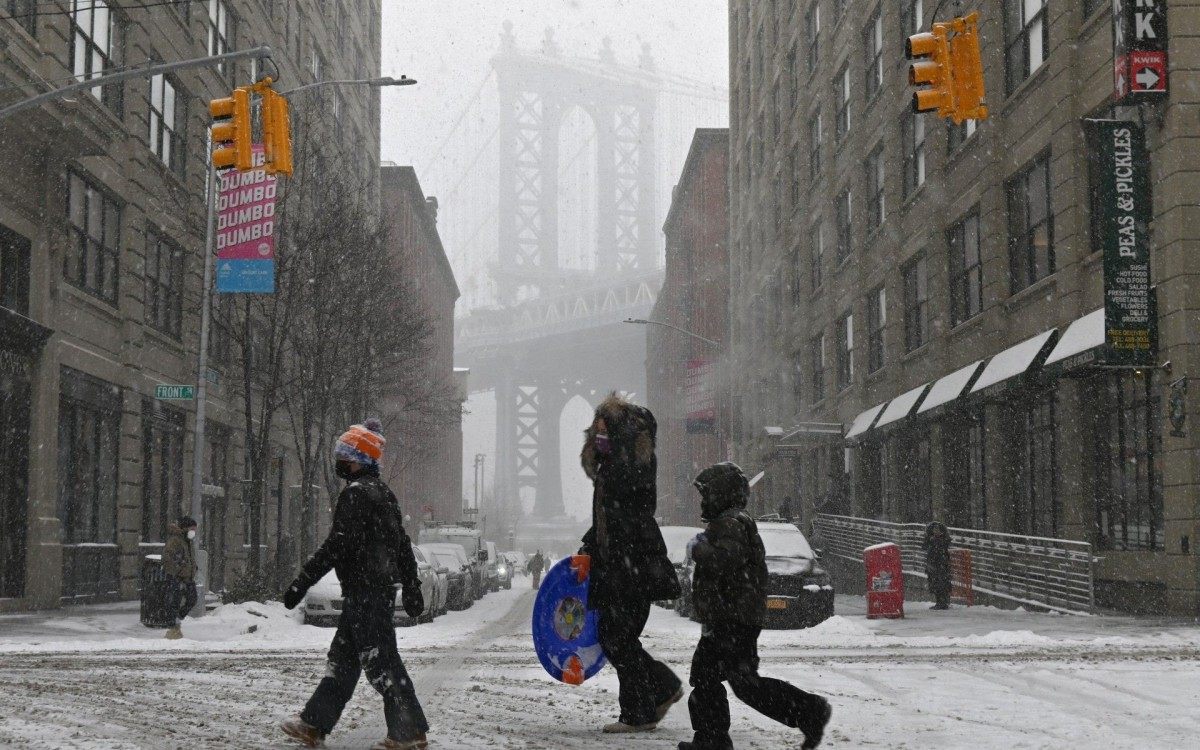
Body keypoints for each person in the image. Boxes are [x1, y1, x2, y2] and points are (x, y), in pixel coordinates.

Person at [280, 419, 429, 750]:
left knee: (381, 662)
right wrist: (411, 584)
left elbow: (336, 546)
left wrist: (301, 583)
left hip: (366, 593)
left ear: (360, 460)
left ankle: (408, 734)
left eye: (344, 456)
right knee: (343, 661)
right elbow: (402, 545)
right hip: (371, 592)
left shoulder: (357, 496)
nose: (340, 463)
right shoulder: (383, 494)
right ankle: (314, 724)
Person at [683, 462, 832, 750]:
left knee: (739, 683)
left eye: (707, 494)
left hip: (731, 620)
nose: (703, 501)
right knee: (714, 678)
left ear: (721, 494)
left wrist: (698, 548)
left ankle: (810, 711)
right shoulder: (734, 521)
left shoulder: (730, 523)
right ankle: (712, 739)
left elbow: (726, 559)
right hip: (731, 618)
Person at [579, 393, 683, 734]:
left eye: (603, 429)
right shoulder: (613, 468)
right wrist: (590, 545)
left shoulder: (626, 466)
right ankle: (642, 710)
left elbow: (629, 515)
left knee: (616, 637)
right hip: (623, 562)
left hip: (630, 563)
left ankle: (659, 692)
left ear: (620, 432)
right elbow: (608, 520)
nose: (598, 435)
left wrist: (607, 551)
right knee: (619, 638)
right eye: (596, 431)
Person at [162, 515, 198, 640]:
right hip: (177, 578)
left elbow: (189, 558)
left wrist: (193, 568)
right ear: (185, 528)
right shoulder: (175, 540)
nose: (194, 532)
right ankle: (173, 630)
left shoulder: (188, 541)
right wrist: (178, 569)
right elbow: (168, 558)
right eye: (192, 529)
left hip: (188, 577)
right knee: (174, 602)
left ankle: (177, 621)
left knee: (192, 599)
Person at [924, 521, 952, 610]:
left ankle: (943, 602)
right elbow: (924, 546)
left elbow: (941, 551)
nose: (936, 532)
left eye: (938, 530)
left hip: (940, 566)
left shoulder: (943, 540)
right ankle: (939, 602)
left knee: (941, 584)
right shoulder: (931, 540)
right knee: (935, 584)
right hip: (934, 565)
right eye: (934, 530)